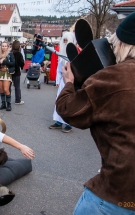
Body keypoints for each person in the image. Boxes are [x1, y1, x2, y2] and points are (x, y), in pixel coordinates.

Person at [56, 12, 135, 215]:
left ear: (121, 43)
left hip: (117, 194)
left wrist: (69, 83)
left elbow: (69, 109)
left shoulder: (115, 77)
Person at [49, 32, 75, 133]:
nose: (64, 43)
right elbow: (59, 70)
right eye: (63, 40)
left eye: (66, 41)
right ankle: (59, 122)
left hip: (71, 82)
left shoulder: (74, 54)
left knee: (69, 102)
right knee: (59, 100)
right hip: (62, 81)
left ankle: (69, 123)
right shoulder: (61, 54)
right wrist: (57, 81)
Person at [0, 41, 15, 111]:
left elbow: (13, 63)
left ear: (8, 47)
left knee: (6, 89)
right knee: (1, 89)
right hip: (0, 73)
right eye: (3, 46)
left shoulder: (10, 54)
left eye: (5, 46)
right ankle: (3, 104)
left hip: (7, 73)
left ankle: (9, 105)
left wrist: (4, 61)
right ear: (1, 47)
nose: (4, 47)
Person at [11, 40, 25, 105]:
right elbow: (22, 62)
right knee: (17, 87)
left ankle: (8, 99)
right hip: (17, 71)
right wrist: (21, 66)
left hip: (10, 71)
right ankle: (17, 100)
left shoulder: (10, 53)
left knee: (8, 86)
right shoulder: (19, 54)